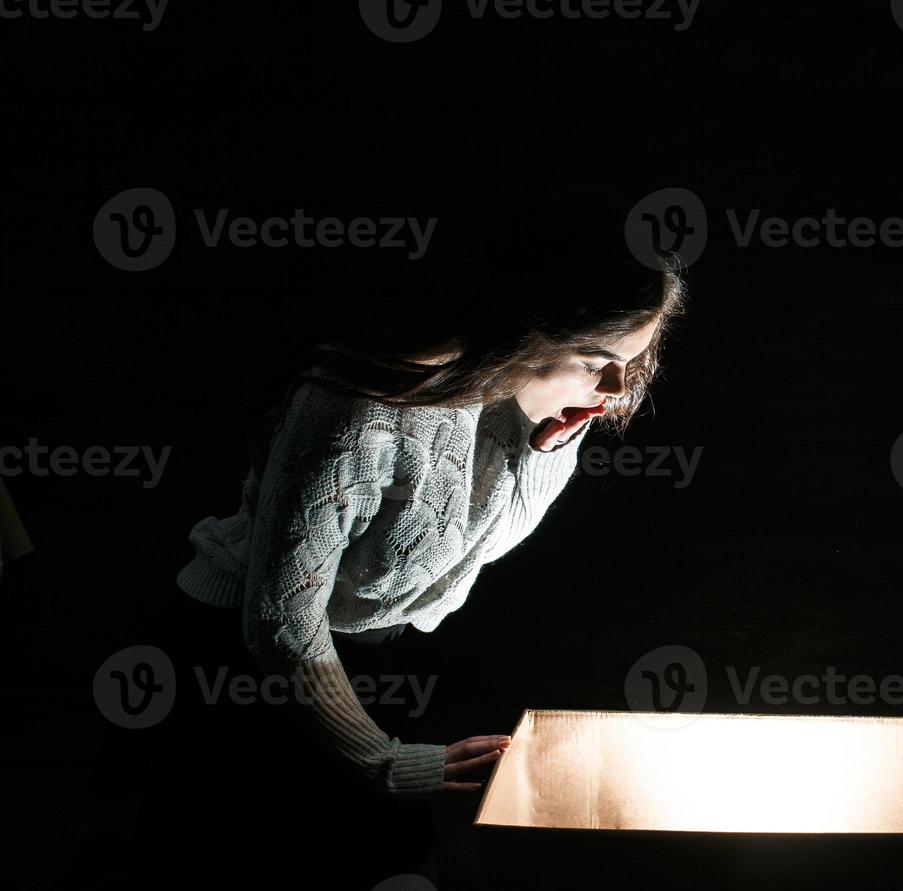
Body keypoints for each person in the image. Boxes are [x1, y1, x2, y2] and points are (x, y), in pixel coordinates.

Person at [174, 214, 685, 798]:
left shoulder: (526, 401)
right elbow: (280, 618)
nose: (617, 387)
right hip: (241, 661)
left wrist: (542, 451)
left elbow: (471, 552)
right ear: (524, 329)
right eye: (596, 362)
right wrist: (383, 761)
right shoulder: (360, 407)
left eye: (630, 360)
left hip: (362, 657)